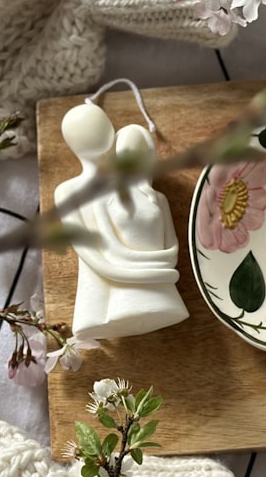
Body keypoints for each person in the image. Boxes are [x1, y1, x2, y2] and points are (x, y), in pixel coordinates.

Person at [54, 101, 188, 340]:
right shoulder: (68, 191)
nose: (94, 135)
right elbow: (83, 247)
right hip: (103, 277)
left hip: (155, 282)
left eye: (99, 125)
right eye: (84, 130)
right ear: (73, 144)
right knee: (107, 305)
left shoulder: (135, 189)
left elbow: (168, 242)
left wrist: (157, 268)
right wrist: (116, 270)